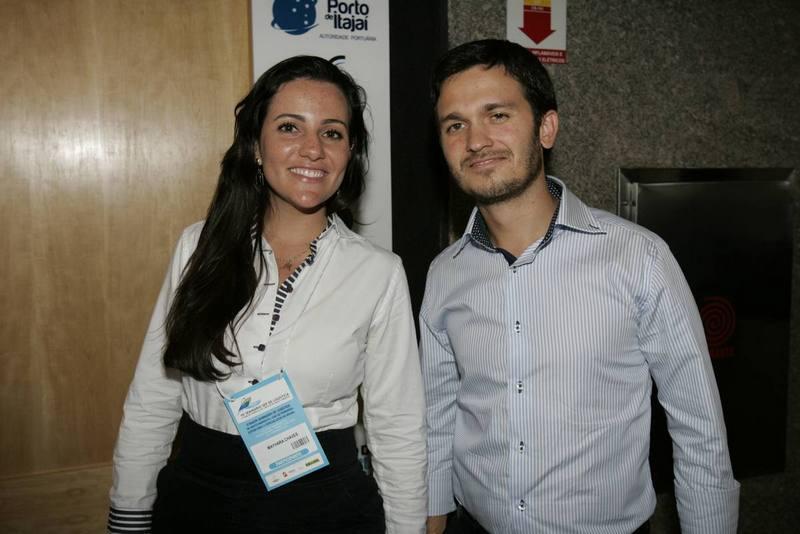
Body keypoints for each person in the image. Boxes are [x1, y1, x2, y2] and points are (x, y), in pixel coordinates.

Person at [420, 39, 739, 534]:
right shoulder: (445, 273)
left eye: (497, 115)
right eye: (455, 125)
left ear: (546, 128)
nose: (476, 141)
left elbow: (700, 430)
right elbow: (438, 418)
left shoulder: (638, 258)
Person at [108, 55, 426, 534]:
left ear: (350, 152)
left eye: (332, 133)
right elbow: (154, 395)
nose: (313, 150)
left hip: (325, 504)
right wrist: (128, 515)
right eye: (289, 128)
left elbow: (396, 425)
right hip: (197, 494)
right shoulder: (198, 246)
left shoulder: (378, 272)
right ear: (256, 146)